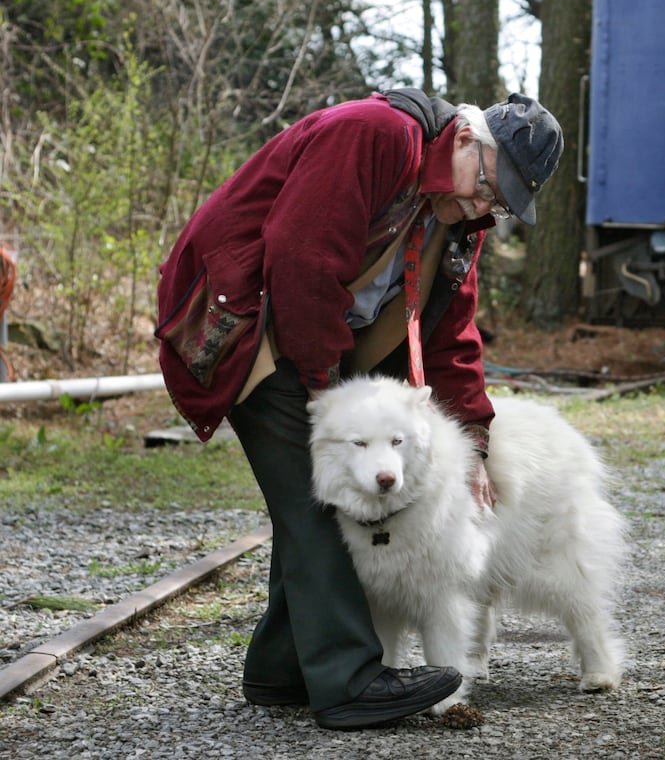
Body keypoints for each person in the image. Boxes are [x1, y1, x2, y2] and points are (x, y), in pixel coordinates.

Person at [154, 88, 563, 730]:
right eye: (488, 185)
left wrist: (475, 441)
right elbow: (302, 258)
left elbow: (452, 335)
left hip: (317, 339)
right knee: (323, 500)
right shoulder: (375, 134)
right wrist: (324, 386)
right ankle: (348, 682)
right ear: (463, 140)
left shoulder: (458, 218)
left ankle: (281, 669)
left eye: (500, 203)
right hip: (248, 319)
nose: (486, 207)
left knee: (311, 503)